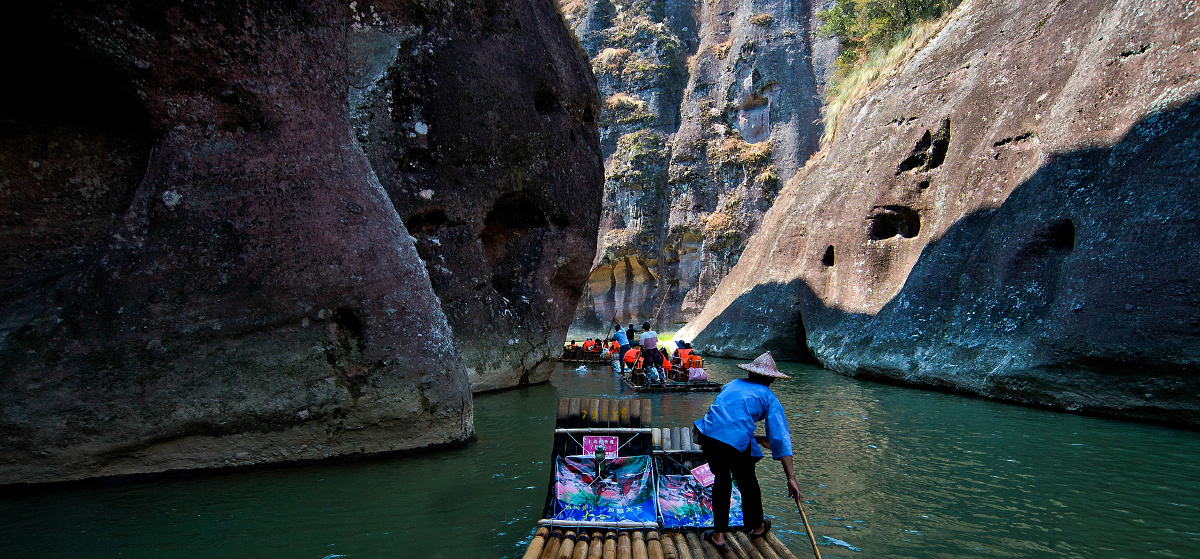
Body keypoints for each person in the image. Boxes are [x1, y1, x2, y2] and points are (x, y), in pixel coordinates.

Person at [692, 351, 799, 552]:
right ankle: (757, 526)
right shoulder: (768, 396)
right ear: (771, 380)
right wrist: (791, 477)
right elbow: (780, 438)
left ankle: (718, 535)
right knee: (748, 482)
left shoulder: (732, 384)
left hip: (708, 435)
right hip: (729, 440)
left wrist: (755, 438)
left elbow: (724, 415)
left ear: (750, 373)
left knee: (722, 481)